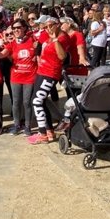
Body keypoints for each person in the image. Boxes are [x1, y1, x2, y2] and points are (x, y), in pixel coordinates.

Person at [29, 16, 70, 144]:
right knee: (41, 101)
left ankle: (42, 134)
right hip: (42, 71)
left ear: (57, 24)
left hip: (50, 73)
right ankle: (48, 130)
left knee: (37, 101)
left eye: (50, 25)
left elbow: (62, 56)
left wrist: (55, 39)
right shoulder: (49, 35)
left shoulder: (63, 37)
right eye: (45, 26)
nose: (48, 28)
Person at [0, 17, 36, 135]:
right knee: (16, 102)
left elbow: (40, 51)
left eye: (18, 28)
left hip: (30, 77)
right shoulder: (12, 44)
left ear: (24, 28)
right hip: (16, 77)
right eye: (14, 28)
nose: (16, 30)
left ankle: (27, 126)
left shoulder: (32, 40)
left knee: (27, 102)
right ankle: (16, 125)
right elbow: (1, 55)